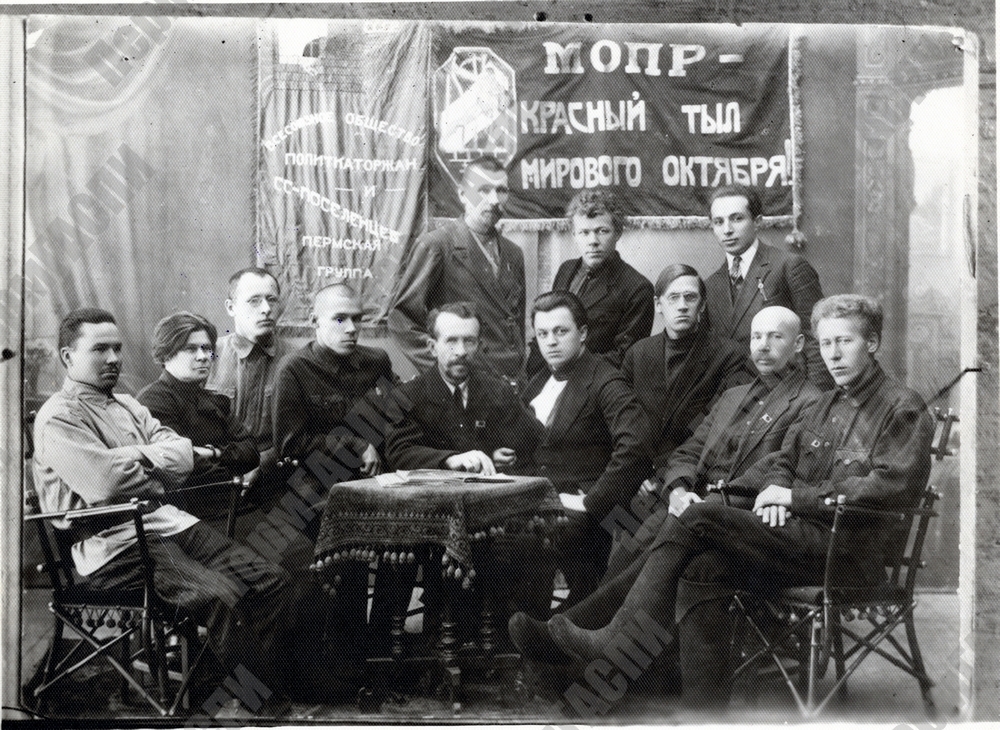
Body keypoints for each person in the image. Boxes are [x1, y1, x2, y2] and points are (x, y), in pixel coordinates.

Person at [526, 294, 935, 713]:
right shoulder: (829, 402)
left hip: (846, 554)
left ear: (872, 343)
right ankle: (699, 712)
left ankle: (607, 638)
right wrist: (776, 491)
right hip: (799, 538)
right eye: (827, 343)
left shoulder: (902, 406)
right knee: (703, 569)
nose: (833, 354)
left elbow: (891, 486)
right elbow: (782, 462)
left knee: (696, 517)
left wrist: (793, 497)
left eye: (845, 342)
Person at [509, 305, 822, 664]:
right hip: (696, 506)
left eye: (775, 337)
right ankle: (579, 643)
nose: (763, 346)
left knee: (660, 545)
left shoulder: (810, 403)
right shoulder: (733, 396)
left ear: (798, 344)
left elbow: (781, 471)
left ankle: (586, 642)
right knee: (637, 541)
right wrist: (679, 488)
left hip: (743, 518)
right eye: (756, 337)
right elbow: (689, 450)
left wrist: (713, 499)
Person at [32, 308, 294, 715]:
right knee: (221, 598)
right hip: (114, 545)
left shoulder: (128, 406)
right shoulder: (58, 418)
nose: (114, 358)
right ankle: (260, 703)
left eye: (117, 348)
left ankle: (240, 681)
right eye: (100, 349)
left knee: (272, 582)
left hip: (167, 522)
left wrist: (134, 460)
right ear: (68, 357)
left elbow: (180, 452)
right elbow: (106, 483)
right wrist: (156, 467)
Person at [272, 281, 396, 656]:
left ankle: (384, 642)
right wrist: (356, 446)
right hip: (315, 489)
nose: (351, 328)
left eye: (357, 319)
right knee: (349, 551)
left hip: (375, 483)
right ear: (315, 321)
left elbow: (395, 420)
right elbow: (290, 444)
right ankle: (348, 655)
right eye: (339, 319)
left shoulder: (377, 362)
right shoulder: (294, 369)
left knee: (409, 545)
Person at [523, 291, 654, 608]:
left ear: (582, 333)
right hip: (539, 495)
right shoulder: (538, 381)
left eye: (560, 331)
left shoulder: (605, 380)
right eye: (543, 333)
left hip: (588, 507)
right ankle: (522, 622)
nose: (551, 342)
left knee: (531, 542)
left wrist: (592, 501)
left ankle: (561, 622)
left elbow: (636, 444)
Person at [389, 156, 526, 383]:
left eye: (501, 191)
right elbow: (400, 320)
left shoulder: (514, 253)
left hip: (511, 383)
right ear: (463, 194)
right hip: (467, 382)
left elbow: (515, 326)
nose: (494, 200)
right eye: (483, 190)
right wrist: (446, 369)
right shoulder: (437, 245)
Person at [385, 301, 541, 474]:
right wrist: (450, 459)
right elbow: (399, 454)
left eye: (469, 341)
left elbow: (530, 443)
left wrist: (498, 456)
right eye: (451, 341)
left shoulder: (499, 392)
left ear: (479, 346)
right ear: (432, 347)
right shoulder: (406, 397)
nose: (461, 351)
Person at [622, 264, 752, 469]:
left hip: (692, 469)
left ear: (702, 305)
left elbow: (719, 429)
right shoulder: (637, 354)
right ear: (658, 304)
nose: (682, 306)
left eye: (690, 297)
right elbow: (624, 421)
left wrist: (665, 470)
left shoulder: (730, 356)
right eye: (673, 297)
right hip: (638, 469)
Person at [704, 185, 833, 390]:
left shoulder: (788, 266)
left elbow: (817, 339)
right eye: (718, 222)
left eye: (737, 218)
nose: (727, 229)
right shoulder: (711, 284)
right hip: (735, 398)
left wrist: (817, 401)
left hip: (786, 394)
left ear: (757, 222)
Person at [137, 312, 259, 529]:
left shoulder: (214, 400)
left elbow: (251, 452)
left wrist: (214, 452)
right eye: (191, 349)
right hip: (191, 517)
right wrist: (233, 475)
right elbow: (185, 466)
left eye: (207, 348)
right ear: (166, 355)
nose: (203, 356)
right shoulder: (154, 400)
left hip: (233, 506)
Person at [526, 190, 653, 374]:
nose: (593, 241)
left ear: (618, 232)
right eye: (584, 232)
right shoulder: (566, 270)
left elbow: (626, 357)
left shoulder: (637, 289)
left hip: (595, 384)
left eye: (602, 231)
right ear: (574, 234)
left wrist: (568, 370)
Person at [206, 267, 291, 493]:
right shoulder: (208, 356)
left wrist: (262, 466)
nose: (266, 309)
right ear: (231, 307)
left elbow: (300, 433)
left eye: (272, 300)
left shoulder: (295, 361)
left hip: (276, 484)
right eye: (254, 301)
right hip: (215, 481)